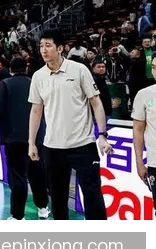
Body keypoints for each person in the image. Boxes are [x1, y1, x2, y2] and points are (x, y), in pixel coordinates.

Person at [28, 29, 112, 220]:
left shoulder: (79, 70)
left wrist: (102, 135)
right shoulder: (38, 76)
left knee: (93, 197)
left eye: (48, 45)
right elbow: (35, 111)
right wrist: (31, 142)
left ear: (60, 48)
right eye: (41, 46)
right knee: (58, 200)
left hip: (83, 145)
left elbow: (96, 103)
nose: (43, 50)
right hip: (53, 147)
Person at [0, 56, 50, 220]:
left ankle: (17, 215)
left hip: (14, 139)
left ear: (11, 69)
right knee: (37, 174)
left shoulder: (5, 84)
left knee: (18, 177)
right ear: (26, 68)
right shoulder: (35, 83)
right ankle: (43, 207)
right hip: (36, 138)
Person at [131, 55, 156, 218]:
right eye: (153, 67)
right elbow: (138, 130)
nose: (155, 71)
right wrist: (139, 162)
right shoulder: (144, 94)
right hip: (155, 162)